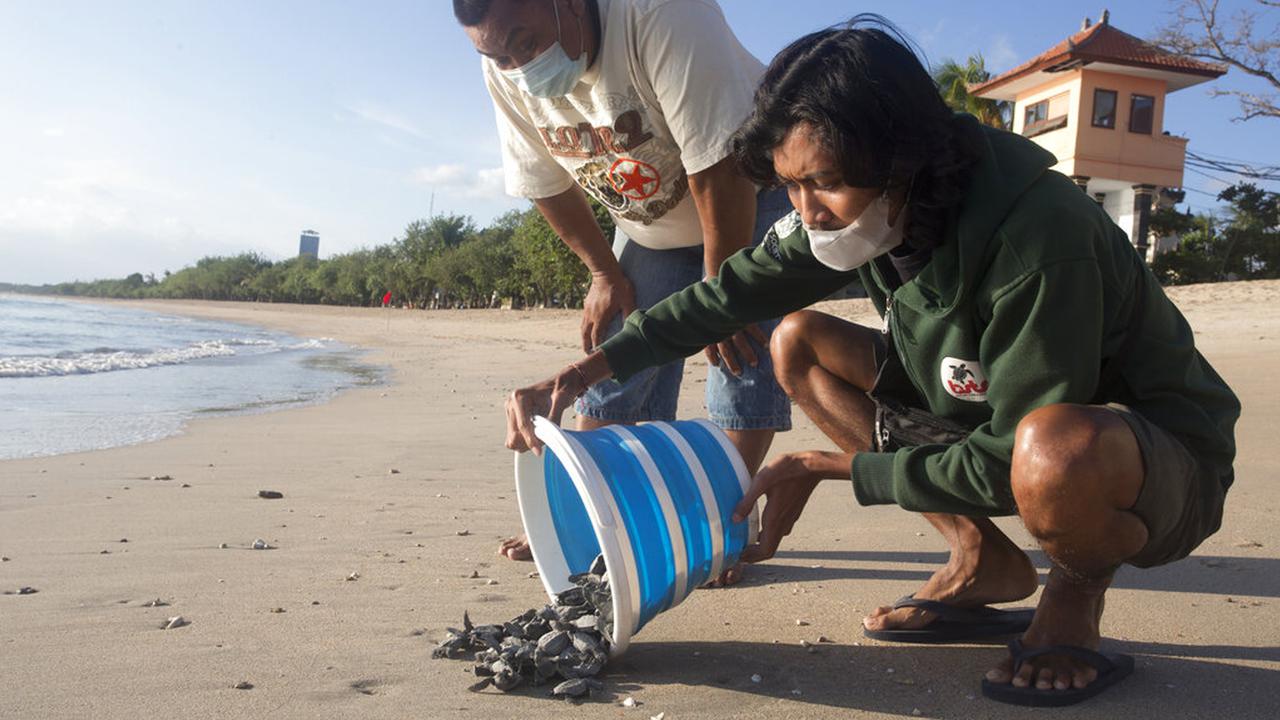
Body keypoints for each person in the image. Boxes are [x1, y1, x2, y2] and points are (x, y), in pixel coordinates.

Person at [504, 17, 1240, 707]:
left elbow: (1007, 456)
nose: (809, 210)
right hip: (988, 412)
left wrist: (833, 467)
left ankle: (1073, 601)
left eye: (823, 182)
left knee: (1053, 454)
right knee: (796, 339)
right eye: (789, 185)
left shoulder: (1039, 238)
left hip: (1147, 461)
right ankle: (979, 557)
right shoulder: (883, 212)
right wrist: (586, 372)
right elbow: (725, 296)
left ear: (903, 157)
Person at [454, 0, 793, 577]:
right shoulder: (503, 65)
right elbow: (542, 178)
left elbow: (720, 162)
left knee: (743, 358)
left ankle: (726, 518)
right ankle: (588, 516)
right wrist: (604, 272)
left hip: (750, 192)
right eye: (499, 54)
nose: (518, 64)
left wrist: (722, 296)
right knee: (614, 369)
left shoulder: (660, 13)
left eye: (526, 42)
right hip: (652, 226)